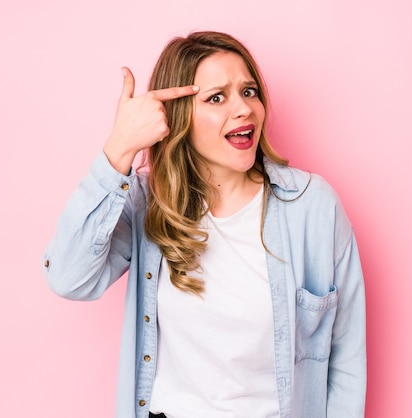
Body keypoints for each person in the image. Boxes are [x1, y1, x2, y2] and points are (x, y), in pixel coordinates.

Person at [43, 30, 366, 418]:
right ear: (177, 117)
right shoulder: (149, 203)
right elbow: (68, 277)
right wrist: (120, 148)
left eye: (249, 91)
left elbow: (346, 354)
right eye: (217, 97)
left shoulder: (312, 207)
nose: (244, 108)